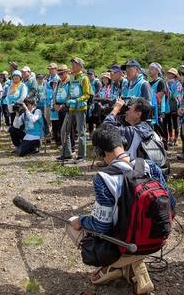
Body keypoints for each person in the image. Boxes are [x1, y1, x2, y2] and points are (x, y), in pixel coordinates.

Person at [67, 124, 159, 294]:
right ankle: (132, 266)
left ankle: (114, 265)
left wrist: (80, 220)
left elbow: (102, 225)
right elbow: (172, 205)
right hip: (157, 240)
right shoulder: (149, 166)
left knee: (72, 226)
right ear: (122, 143)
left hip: (126, 244)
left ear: (101, 151)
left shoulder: (104, 177)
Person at [59, 57, 91, 163]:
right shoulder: (72, 77)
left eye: (75, 63)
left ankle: (82, 155)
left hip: (81, 108)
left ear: (80, 66)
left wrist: (76, 100)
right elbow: (70, 91)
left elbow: (87, 94)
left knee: (81, 132)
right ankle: (67, 154)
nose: (72, 65)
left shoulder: (84, 78)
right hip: (71, 108)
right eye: (72, 63)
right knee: (64, 130)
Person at [148, 62, 168, 146]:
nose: (149, 71)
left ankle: (163, 145)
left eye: (152, 69)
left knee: (159, 128)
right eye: (149, 69)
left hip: (158, 110)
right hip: (151, 109)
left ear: (157, 71)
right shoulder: (148, 82)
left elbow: (160, 97)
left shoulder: (160, 82)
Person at [52, 65, 72, 146]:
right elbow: (55, 93)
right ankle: (64, 146)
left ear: (66, 72)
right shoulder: (60, 81)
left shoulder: (70, 81)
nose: (60, 75)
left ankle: (71, 147)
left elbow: (70, 94)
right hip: (59, 106)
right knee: (61, 126)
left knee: (68, 128)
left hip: (67, 106)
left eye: (62, 73)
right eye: (59, 74)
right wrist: (55, 104)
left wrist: (63, 105)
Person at [165, 68, 183, 146]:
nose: (169, 75)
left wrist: (170, 93)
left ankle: (175, 139)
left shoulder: (178, 83)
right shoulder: (166, 83)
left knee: (175, 123)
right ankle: (170, 138)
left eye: (171, 73)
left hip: (175, 106)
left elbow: (177, 95)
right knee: (169, 123)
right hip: (167, 105)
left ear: (174, 75)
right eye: (168, 73)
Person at [86, 69, 102, 134]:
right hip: (89, 102)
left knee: (97, 119)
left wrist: (93, 97)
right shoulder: (87, 82)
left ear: (94, 75)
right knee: (90, 119)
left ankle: (98, 134)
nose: (89, 76)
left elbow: (99, 92)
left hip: (96, 103)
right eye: (88, 74)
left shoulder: (97, 82)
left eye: (91, 74)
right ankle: (91, 133)